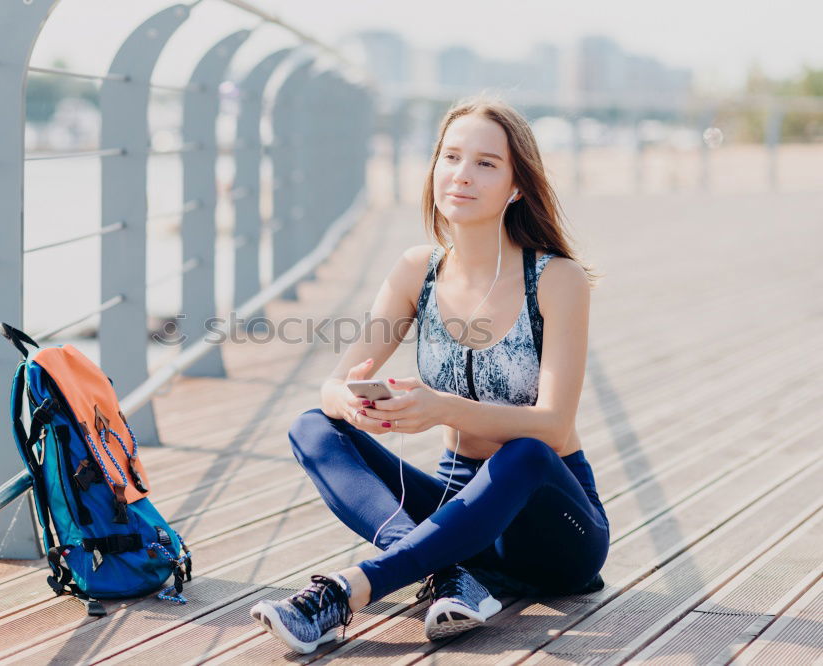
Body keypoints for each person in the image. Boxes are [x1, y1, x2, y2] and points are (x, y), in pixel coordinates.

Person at [249, 94, 610, 654]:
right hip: (456, 507)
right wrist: (353, 402)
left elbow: (555, 427)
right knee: (312, 426)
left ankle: (348, 592)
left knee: (525, 452)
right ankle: (444, 569)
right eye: (451, 157)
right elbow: (336, 381)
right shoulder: (417, 271)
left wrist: (442, 408)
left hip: (554, 528)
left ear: (517, 185)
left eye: (486, 163)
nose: (461, 175)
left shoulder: (557, 279)